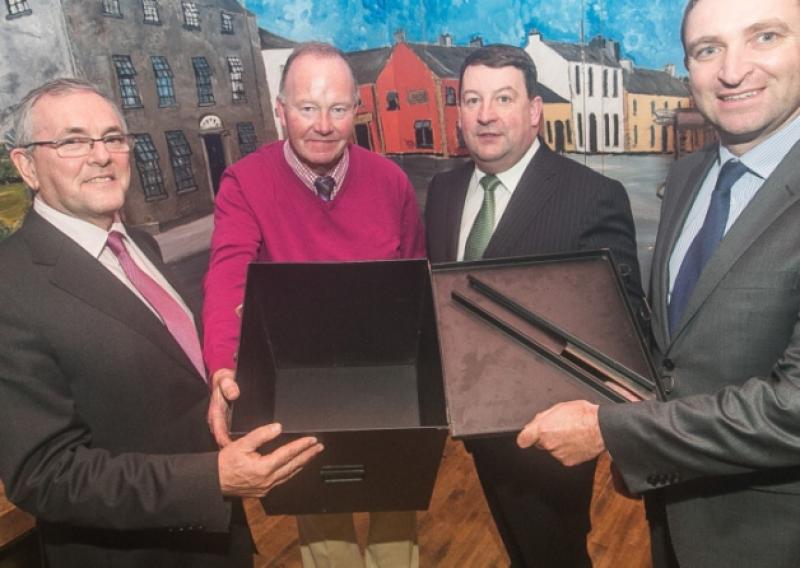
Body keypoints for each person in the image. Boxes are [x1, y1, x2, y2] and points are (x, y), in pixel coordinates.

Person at [518, 0, 800, 566]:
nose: (732, 70)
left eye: (765, 37)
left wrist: (612, 431)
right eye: (707, 49)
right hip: (672, 518)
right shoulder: (690, 174)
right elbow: (676, 350)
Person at [0, 78, 323, 568]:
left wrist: (220, 384)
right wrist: (211, 480)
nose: (101, 156)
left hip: (217, 541)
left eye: (113, 137)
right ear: (26, 165)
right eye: (73, 141)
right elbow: (44, 474)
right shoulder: (11, 284)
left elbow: (167, 374)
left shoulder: (139, 246)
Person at [203, 42, 425, 568]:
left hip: (385, 378)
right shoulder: (245, 183)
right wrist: (224, 369)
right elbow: (228, 279)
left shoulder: (391, 181)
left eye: (338, 109)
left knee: (397, 502)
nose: (323, 125)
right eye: (307, 108)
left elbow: (417, 281)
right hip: (299, 381)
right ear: (281, 111)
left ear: (357, 111)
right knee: (319, 511)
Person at [424, 45, 643, 567]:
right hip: (473, 426)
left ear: (534, 110)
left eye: (503, 98)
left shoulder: (592, 195)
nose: (486, 114)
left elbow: (624, 328)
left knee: (556, 555)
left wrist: (612, 426)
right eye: (472, 99)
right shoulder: (443, 191)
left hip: (549, 439)